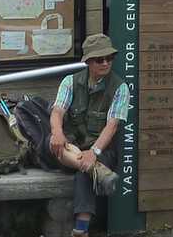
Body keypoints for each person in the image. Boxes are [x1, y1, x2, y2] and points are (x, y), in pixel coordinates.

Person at [49, 34, 126, 237]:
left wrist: (94, 152)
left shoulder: (120, 88)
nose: (106, 63)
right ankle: (98, 172)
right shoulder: (70, 82)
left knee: (84, 171)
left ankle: (80, 231)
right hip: (71, 147)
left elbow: (112, 126)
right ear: (88, 61)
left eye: (109, 58)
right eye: (100, 59)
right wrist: (57, 133)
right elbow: (57, 111)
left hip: (102, 151)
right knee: (53, 143)